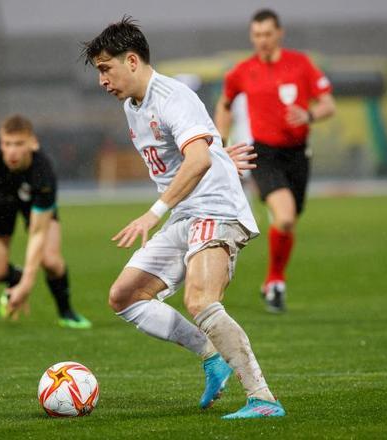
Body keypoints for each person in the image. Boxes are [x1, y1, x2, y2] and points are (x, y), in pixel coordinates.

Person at [77, 16, 284, 419]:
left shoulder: (173, 96)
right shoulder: (132, 106)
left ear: (132, 60)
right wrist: (219, 154)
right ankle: (212, 357)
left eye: (106, 68)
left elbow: (197, 159)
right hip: (187, 213)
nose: (102, 79)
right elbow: (197, 150)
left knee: (201, 300)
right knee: (125, 297)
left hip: (215, 209)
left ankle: (262, 399)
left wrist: (154, 212)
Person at [214, 9, 336, 313]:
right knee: (284, 216)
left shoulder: (301, 64)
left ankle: (272, 282)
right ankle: (276, 282)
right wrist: (218, 142)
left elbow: (328, 105)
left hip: (298, 154)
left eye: (267, 34)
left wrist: (308, 115)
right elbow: (225, 104)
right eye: (256, 35)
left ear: (279, 33)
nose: (262, 40)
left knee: (290, 220)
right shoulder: (243, 70)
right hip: (264, 154)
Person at [0, 114, 91, 329]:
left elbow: (38, 232)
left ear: (33, 143)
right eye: (7, 144)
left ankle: (66, 312)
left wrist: (27, 284)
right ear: (0, 143)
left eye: (19, 144)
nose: (12, 151)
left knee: (50, 260)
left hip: (33, 205)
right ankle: (15, 277)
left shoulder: (43, 171)